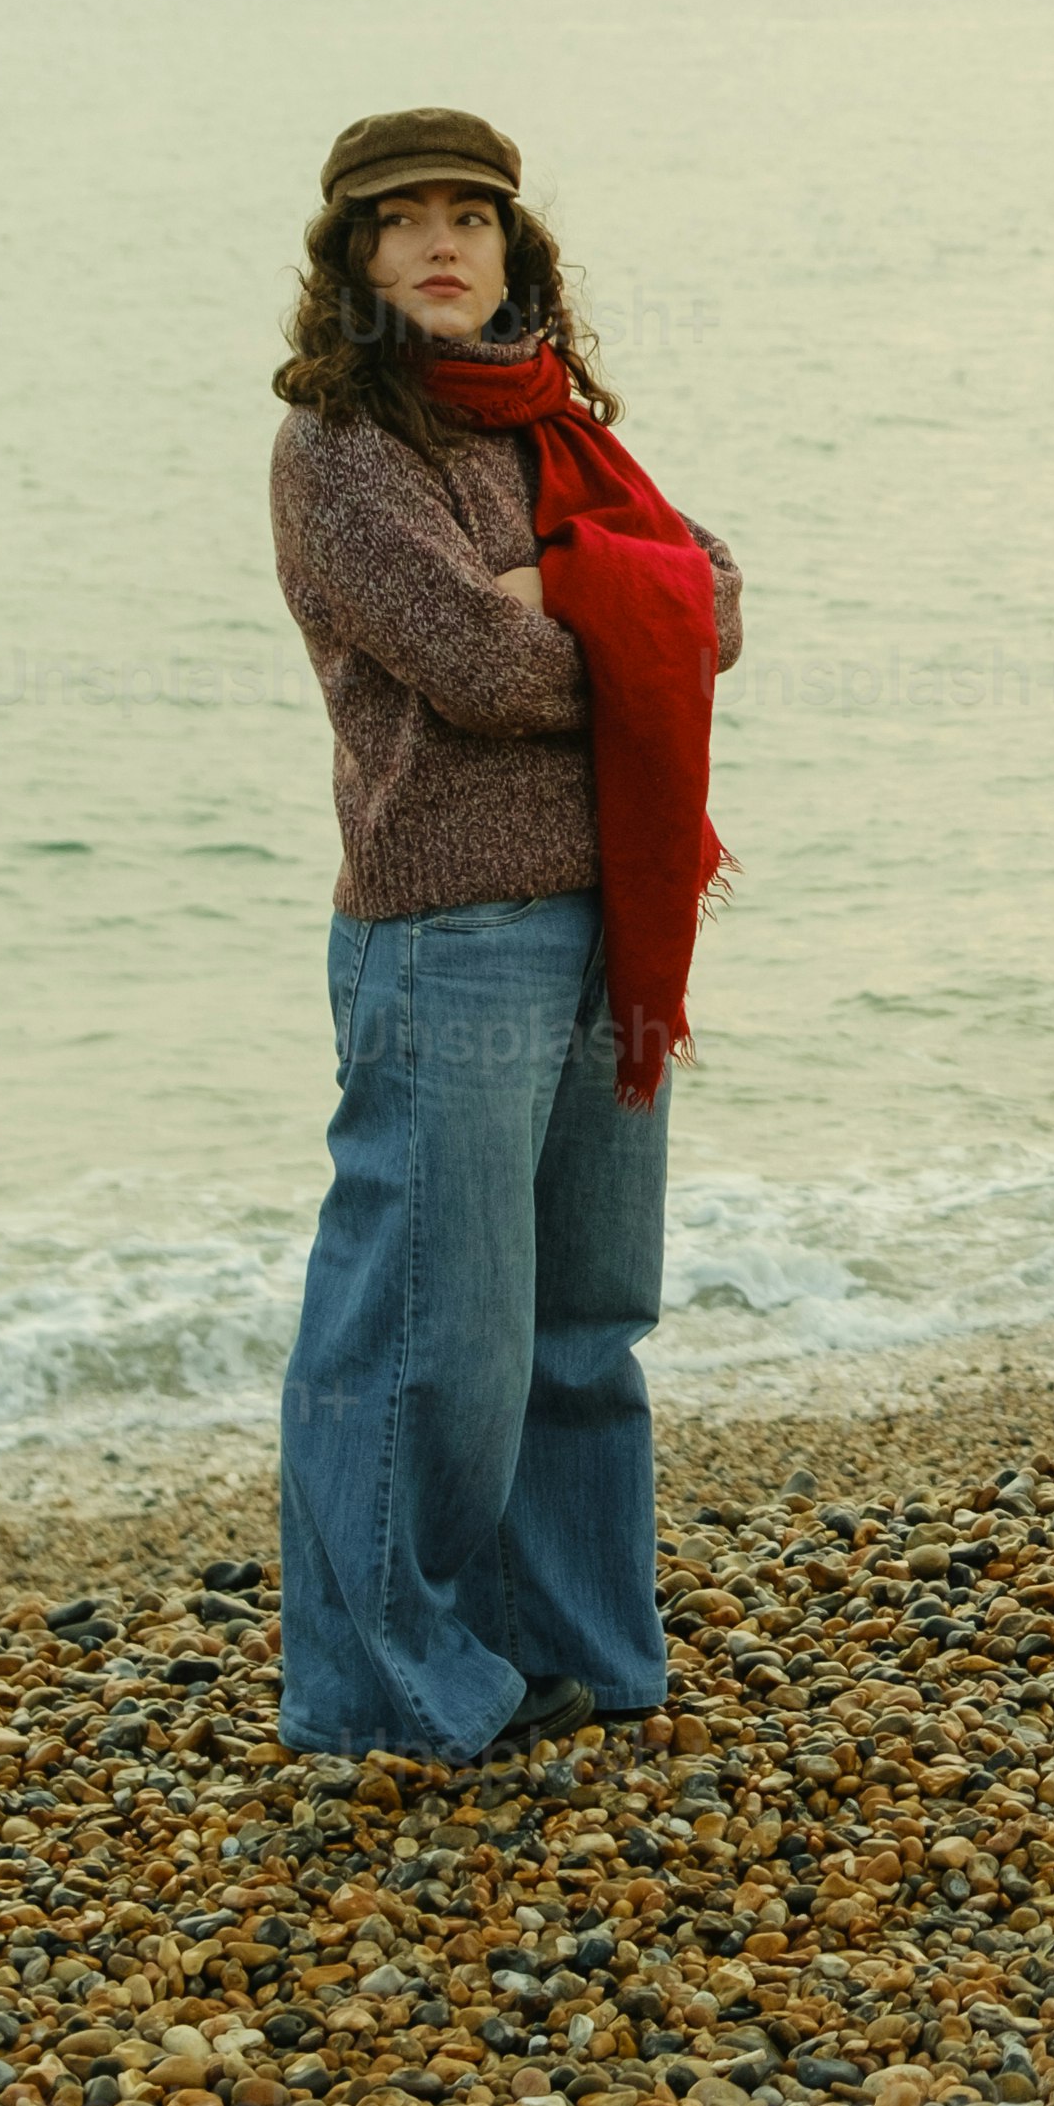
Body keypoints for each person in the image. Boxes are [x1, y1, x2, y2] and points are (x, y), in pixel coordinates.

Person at [265, 108, 741, 1768]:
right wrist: (611, 607)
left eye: (470, 213)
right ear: (356, 259)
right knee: (425, 1332)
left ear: (515, 244)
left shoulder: (558, 429)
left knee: (587, 1321)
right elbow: (476, 665)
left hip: (611, 911)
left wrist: (585, 591)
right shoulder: (340, 452)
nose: (442, 242)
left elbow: (718, 596)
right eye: (403, 222)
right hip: (447, 931)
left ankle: (583, 1652)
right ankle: (379, 1687)